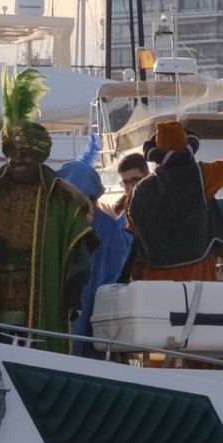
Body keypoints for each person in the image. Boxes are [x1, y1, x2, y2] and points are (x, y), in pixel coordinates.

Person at [0, 68, 96, 352]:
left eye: (27, 155)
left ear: (40, 157)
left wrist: (73, 295)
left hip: (43, 294)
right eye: (14, 154)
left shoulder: (63, 201)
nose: (19, 160)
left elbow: (80, 255)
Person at [127, 91, 223, 282]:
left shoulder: (139, 191)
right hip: (198, 275)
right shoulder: (203, 176)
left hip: (153, 279)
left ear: (156, 156)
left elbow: (132, 237)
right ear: (188, 149)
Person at [56, 139, 134, 352]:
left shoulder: (52, 219)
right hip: (98, 308)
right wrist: (120, 229)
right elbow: (118, 264)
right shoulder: (107, 224)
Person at [111, 152, 149, 217]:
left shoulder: (160, 204)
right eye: (126, 182)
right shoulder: (118, 210)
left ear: (148, 177)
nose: (131, 187)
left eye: (135, 180)